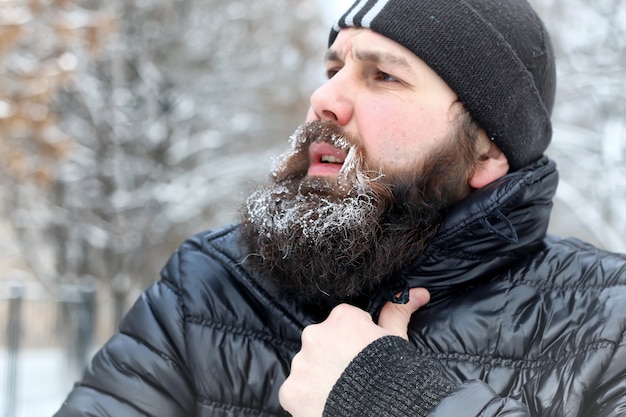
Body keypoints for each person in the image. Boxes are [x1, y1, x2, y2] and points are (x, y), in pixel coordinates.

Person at [54, 0, 626, 416]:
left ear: (487, 150)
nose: (323, 100)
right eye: (334, 70)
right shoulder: (211, 284)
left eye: (382, 76)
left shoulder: (606, 321)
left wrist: (387, 397)